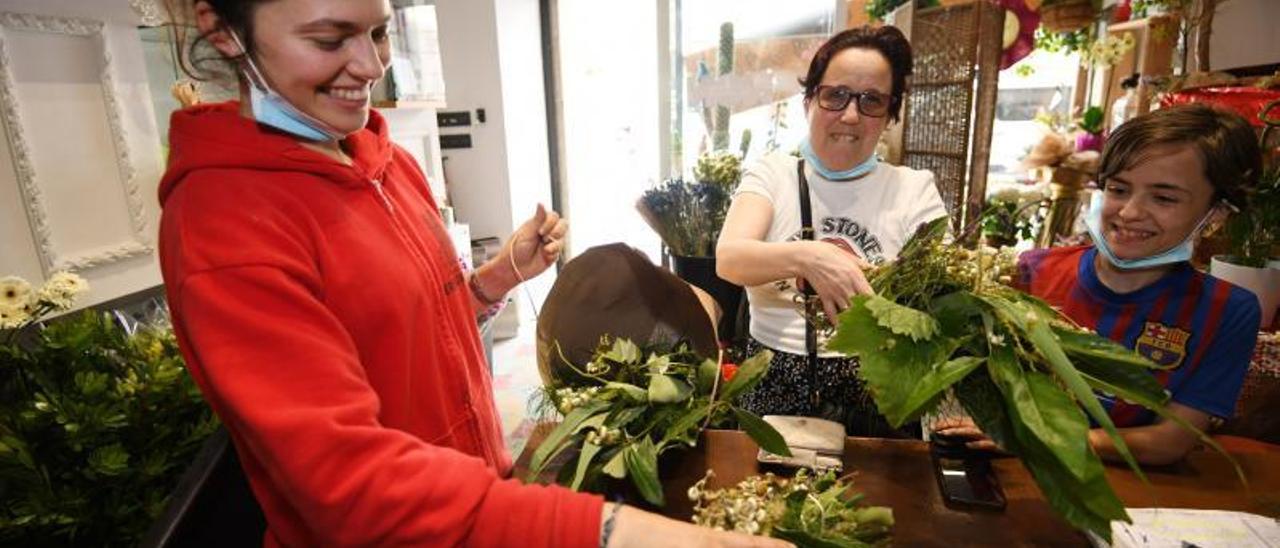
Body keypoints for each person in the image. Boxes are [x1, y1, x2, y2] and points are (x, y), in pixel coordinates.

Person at [157, 1, 788, 546]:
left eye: (378, 33)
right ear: (223, 30)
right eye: (329, 39)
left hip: (471, 499)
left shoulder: (387, 163)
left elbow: (409, 326)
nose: (372, 66)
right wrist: (613, 532)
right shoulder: (226, 225)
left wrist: (495, 279)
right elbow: (349, 485)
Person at [935, 104, 1263, 465]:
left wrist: (1035, 440)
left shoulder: (1227, 311)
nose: (1129, 212)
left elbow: (1169, 441)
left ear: (1215, 214)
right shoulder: (1033, 272)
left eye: (1164, 198)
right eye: (1119, 189)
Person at [716, 25, 948, 437]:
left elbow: (941, 296)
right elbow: (730, 258)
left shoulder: (913, 189)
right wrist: (810, 256)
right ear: (810, 100)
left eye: (872, 100)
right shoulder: (774, 174)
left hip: (877, 386)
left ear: (891, 114)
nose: (851, 114)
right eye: (835, 95)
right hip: (773, 382)